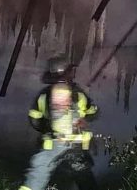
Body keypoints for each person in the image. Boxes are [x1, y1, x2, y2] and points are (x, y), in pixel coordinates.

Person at [19, 56, 99, 190]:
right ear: (68, 72)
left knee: (37, 175)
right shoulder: (79, 94)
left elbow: (34, 119)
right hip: (76, 147)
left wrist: (47, 128)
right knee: (84, 177)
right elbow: (92, 113)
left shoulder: (43, 95)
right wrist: (85, 115)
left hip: (51, 145)